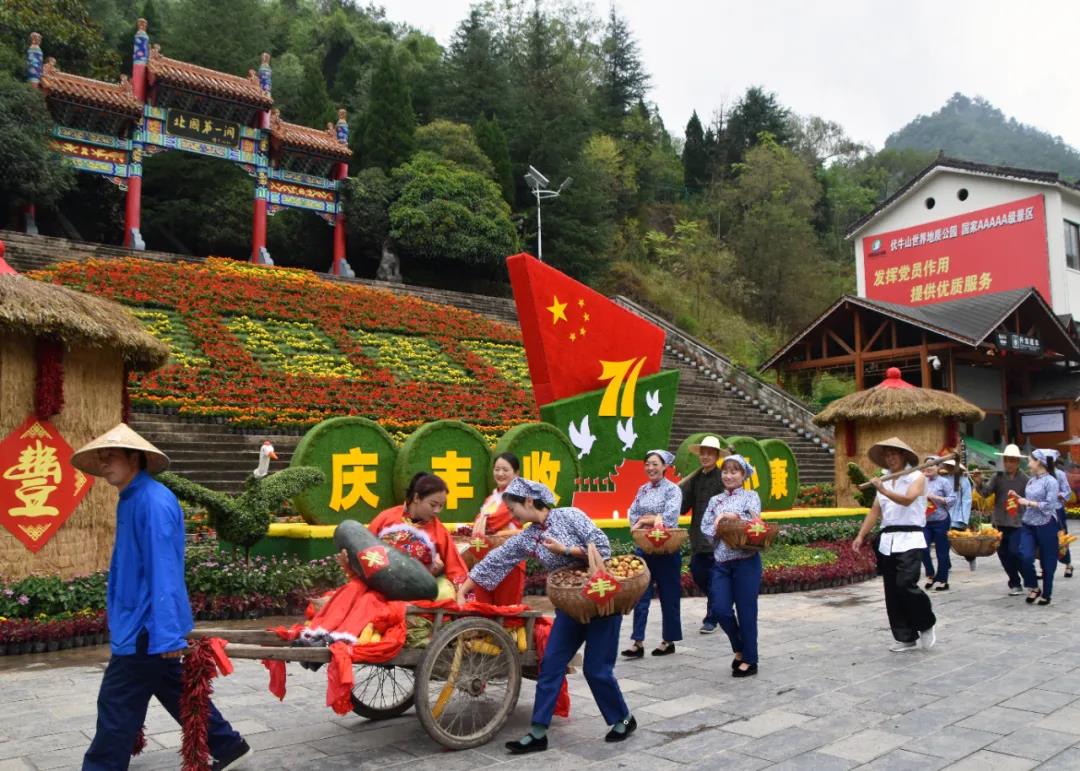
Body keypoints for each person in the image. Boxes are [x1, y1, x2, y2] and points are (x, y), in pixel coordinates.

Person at [73, 424, 251, 771]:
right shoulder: (132, 499)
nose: (105, 462)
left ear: (134, 458)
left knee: (117, 702)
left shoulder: (151, 502)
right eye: (102, 457)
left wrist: (167, 633)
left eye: (112, 456)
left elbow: (164, 569)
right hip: (141, 621)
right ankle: (229, 745)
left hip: (146, 625)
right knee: (174, 689)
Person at [456, 478, 635, 754]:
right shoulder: (529, 536)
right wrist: (464, 589)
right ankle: (538, 732)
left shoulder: (571, 516)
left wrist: (564, 550)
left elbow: (603, 548)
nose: (512, 515)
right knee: (550, 664)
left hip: (601, 603)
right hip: (569, 606)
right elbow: (499, 559)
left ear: (529, 502)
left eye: (513, 509)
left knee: (596, 669)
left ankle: (623, 717)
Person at [853, 437, 937, 652]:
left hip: (910, 538)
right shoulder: (884, 479)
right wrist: (861, 535)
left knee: (905, 584)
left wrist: (883, 490)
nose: (890, 458)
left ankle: (925, 623)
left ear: (904, 455)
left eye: (894, 454)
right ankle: (905, 636)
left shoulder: (917, 477)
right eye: (887, 455)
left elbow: (908, 500)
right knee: (892, 590)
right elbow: (875, 511)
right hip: (888, 539)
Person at [700, 452, 763, 677]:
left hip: (746, 561)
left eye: (734, 471)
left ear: (744, 474)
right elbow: (706, 527)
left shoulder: (751, 496)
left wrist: (731, 516)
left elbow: (755, 522)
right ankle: (739, 647)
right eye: (725, 471)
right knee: (720, 609)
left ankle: (750, 659)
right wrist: (719, 526)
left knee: (747, 611)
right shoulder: (714, 500)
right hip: (722, 563)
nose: (729, 475)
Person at [622, 449, 683, 658]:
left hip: (667, 550)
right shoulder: (642, 490)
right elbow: (633, 515)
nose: (650, 468)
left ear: (665, 466)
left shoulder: (673, 490)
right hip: (645, 550)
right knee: (641, 596)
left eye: (655, 464)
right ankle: (637, 641)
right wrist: (649, 519)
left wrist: (645, 520)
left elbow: (670, 518)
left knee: (669, 596)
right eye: (647, 464)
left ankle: (669, 640)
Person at [368, 472, 468, 586]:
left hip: (416, 590)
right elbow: (363, 548)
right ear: (416, 498)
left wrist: (462, 592)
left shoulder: (439, 531)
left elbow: (457, 569)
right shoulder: (386, 518)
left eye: (441, 506)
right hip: (378, 584)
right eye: (433, 504)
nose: (437, 511)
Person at [679, 435, 726, 633]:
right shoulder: (696, 478)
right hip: (697, 538)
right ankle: (721, 602)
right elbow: (683, 507)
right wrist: (675, 492)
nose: (705, 456)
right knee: (698, 574)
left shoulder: (722, 478)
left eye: (710, 453)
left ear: (716, 456)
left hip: (716, 538)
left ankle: (711, 618)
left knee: (714, 577)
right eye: (703, 453)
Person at [469, 452, 525, 605]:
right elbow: (478, 525)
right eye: (497, 469)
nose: (500, 473)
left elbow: (492, 523)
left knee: (507, 612)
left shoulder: (517, 496)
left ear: (516, 473)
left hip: (509, 561)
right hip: (486, 560)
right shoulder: (491, 498)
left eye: (505, 470)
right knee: (484, 608)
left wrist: (479, 524)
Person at [973, 445, 1029, 595]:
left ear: (1017, 462)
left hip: (1017, 522)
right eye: (1006, 460)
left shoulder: (1024, 479)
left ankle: (1028, 577)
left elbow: (1030, 499)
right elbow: (985, 493)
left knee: (1015, 552)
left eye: (1012, 461)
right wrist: (979, 483)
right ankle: (1015, 582)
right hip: (999, 523)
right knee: (1003, 554)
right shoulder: (997, 477)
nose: (1009, 464)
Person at [1015, 449, 1060, 605]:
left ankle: (1046, 593)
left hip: (1046, 524)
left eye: (1030, 460)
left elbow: (1049, 506)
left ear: (1039, 462)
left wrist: (1028, 503)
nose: (1028, 464)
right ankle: (1033, 586)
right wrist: (1018, 498)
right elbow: (1028, 501)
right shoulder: (1031, 480)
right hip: (1029, 523)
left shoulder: (1051, 481)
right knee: (1024, 555)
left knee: (1048, 561)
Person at [921, 456, 955, 591]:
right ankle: (930, 574)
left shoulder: (944, 482)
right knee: (922, 549)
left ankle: (942, 580)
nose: (929, 467)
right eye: (926, 465)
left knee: (942, 552)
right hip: (925, 521)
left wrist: (935, 497)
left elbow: (952, 499)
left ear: (938, 468)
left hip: (941, 521)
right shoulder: (920, 482)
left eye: (932, 465)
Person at [943, 458, 975, 570]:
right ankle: (946, 564)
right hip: (946, 514)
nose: (950, 469)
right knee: (944, 542)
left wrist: (963, 518)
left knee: (963, 542)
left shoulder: (964, 480)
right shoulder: (944, 479)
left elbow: (967, 500)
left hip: (958, 516)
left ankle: (970, 557)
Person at [1047, 450, 1073, 578]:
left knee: (1062, 536)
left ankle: (1068, 563)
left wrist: (1059, 494)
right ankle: (1044, 567)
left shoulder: (1060, 474)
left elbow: (1067, 491)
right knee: (1044, 538)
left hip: (1057, 509)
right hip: (1044, 510)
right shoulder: (1040, 475)